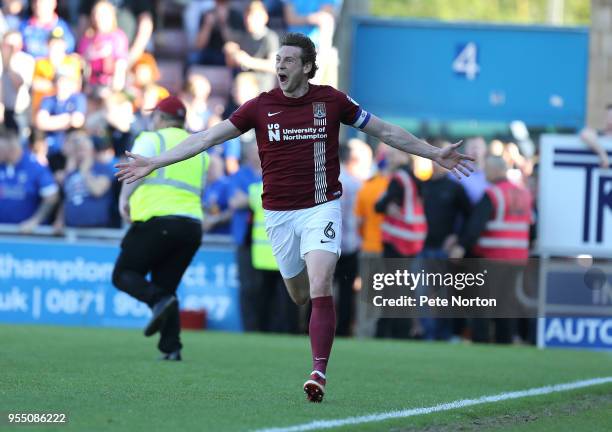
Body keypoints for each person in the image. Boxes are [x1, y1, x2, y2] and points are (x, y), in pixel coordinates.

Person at [116, 32, 474, 401]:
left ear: (306, 67)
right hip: (278, 215)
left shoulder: (332, 101)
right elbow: (206, 138)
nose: (280, 66)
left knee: (321, 284)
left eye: (288, 60)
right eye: (278, 60)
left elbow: (383, 130)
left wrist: (432, 153)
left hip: (321, 207)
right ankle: (311, 315)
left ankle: (318, 371)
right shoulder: (259, 106)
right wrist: (156, 162)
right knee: (300, 294)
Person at [112, 96, 209, 361]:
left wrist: (124, 200)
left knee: (124, 274)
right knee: (166, 287)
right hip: (191, 228)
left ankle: (158, 302)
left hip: (158, 221)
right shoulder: (198, 148)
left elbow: (135, 170)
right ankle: (171, 348)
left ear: (161, 118)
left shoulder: (151, 139)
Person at [447, 155, 532, 344]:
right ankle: (504, 343)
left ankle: (482, 342)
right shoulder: (524, 193)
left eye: (486, 169)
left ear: (495, 170)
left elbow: (475, 225)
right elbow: (530, 226)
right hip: (518, 258)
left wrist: (461, 247)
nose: (484, 173)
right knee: (506, 303)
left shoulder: (493, 194)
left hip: (493, 257)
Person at [0, 130, 59, 232]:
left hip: (26, 235)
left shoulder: (35, 166)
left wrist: (35, 221)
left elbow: (51, 197)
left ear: (10, 149)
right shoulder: (2, 166)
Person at [59, 131, 115, 229]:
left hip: (97, 229)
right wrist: (59, 220)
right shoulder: (72, 172)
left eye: (83, 149)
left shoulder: (103, 168)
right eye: (78, 150)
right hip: (71, 228)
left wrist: (85, 171)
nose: (80, 153)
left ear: (92, 151)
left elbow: (97, 191)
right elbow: (67, 198)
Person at [224, 0, 279, 91]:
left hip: (261, 88)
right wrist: (231, 54)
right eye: (247, 16)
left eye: (253, 16)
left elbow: (274, 66)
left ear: (264, 17)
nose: (249, 20)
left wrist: (249, 61)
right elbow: (231, 64)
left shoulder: (270, 37)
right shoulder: (243, 37)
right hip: (241, 87)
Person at [77, 0, 129, 92]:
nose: (98, 18)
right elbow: (80, 62)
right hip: (90, 85)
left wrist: (115, 88)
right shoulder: (88, 38)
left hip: (109, 84)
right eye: (96, 14)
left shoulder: (118, 37)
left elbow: (120, 65)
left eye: (102, 14)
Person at [1, 30, 35, 142]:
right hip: (2, 112)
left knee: (19, 143)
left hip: (18, 112)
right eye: (8, 45)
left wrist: (7, 65)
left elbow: (18, 84)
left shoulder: (26, 60)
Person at [579, 104, 612, 169]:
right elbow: (585, 134)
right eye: (608, 116)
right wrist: (603, 155)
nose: (609, 120)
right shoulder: (599, 134)